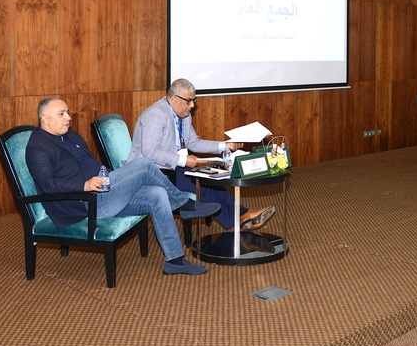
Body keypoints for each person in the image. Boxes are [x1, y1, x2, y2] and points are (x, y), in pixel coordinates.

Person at [25, 96, 219, 276]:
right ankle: (185, 205)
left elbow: (90, 165)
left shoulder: (69, 136)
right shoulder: (38, 146)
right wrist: (84, 185)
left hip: (104, 190)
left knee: (158, 193)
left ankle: (174, 260)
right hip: (86, 203)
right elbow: (47, 184)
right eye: (61, 114)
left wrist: (112, 178)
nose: (68, 117)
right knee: (143, 164)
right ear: (45, 119)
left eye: (67, 112)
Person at [130, 78, 275, 231]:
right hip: (152, 172)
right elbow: (150, 152)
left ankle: (242, 216)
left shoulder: (184, 115)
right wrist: (183, 160)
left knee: (210, 179)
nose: (192, 105)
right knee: (201, 184)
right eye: (188, 101)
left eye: (194, 100)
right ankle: (242, 217)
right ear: (173, 99)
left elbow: (193, 142)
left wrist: (225, 145)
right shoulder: (156, 115)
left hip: (173, 167)